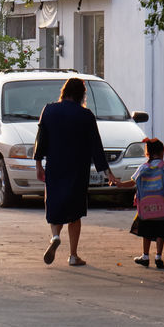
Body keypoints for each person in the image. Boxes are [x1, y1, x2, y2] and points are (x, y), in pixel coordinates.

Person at [33, 76, 117, 267]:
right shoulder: (86, 115)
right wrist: (107, 172)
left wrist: (38, 164)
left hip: (55, 166)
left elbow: (41, 140)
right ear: (81, 94)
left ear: (64, 91)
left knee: (55, 205)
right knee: (75, 212)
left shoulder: (48, 110)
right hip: (78, 169)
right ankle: (73, 255)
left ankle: (55, 236)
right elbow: (97, 146)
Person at [113, 138, 164, 269]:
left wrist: (119, 184)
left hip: (146, 207)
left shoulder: (143, 167)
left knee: (146, 231)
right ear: (162, 152)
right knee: (160, 232)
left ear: (148, 153)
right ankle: (158, 256)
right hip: (163, 207)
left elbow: (133, 182)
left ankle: (145, 256)